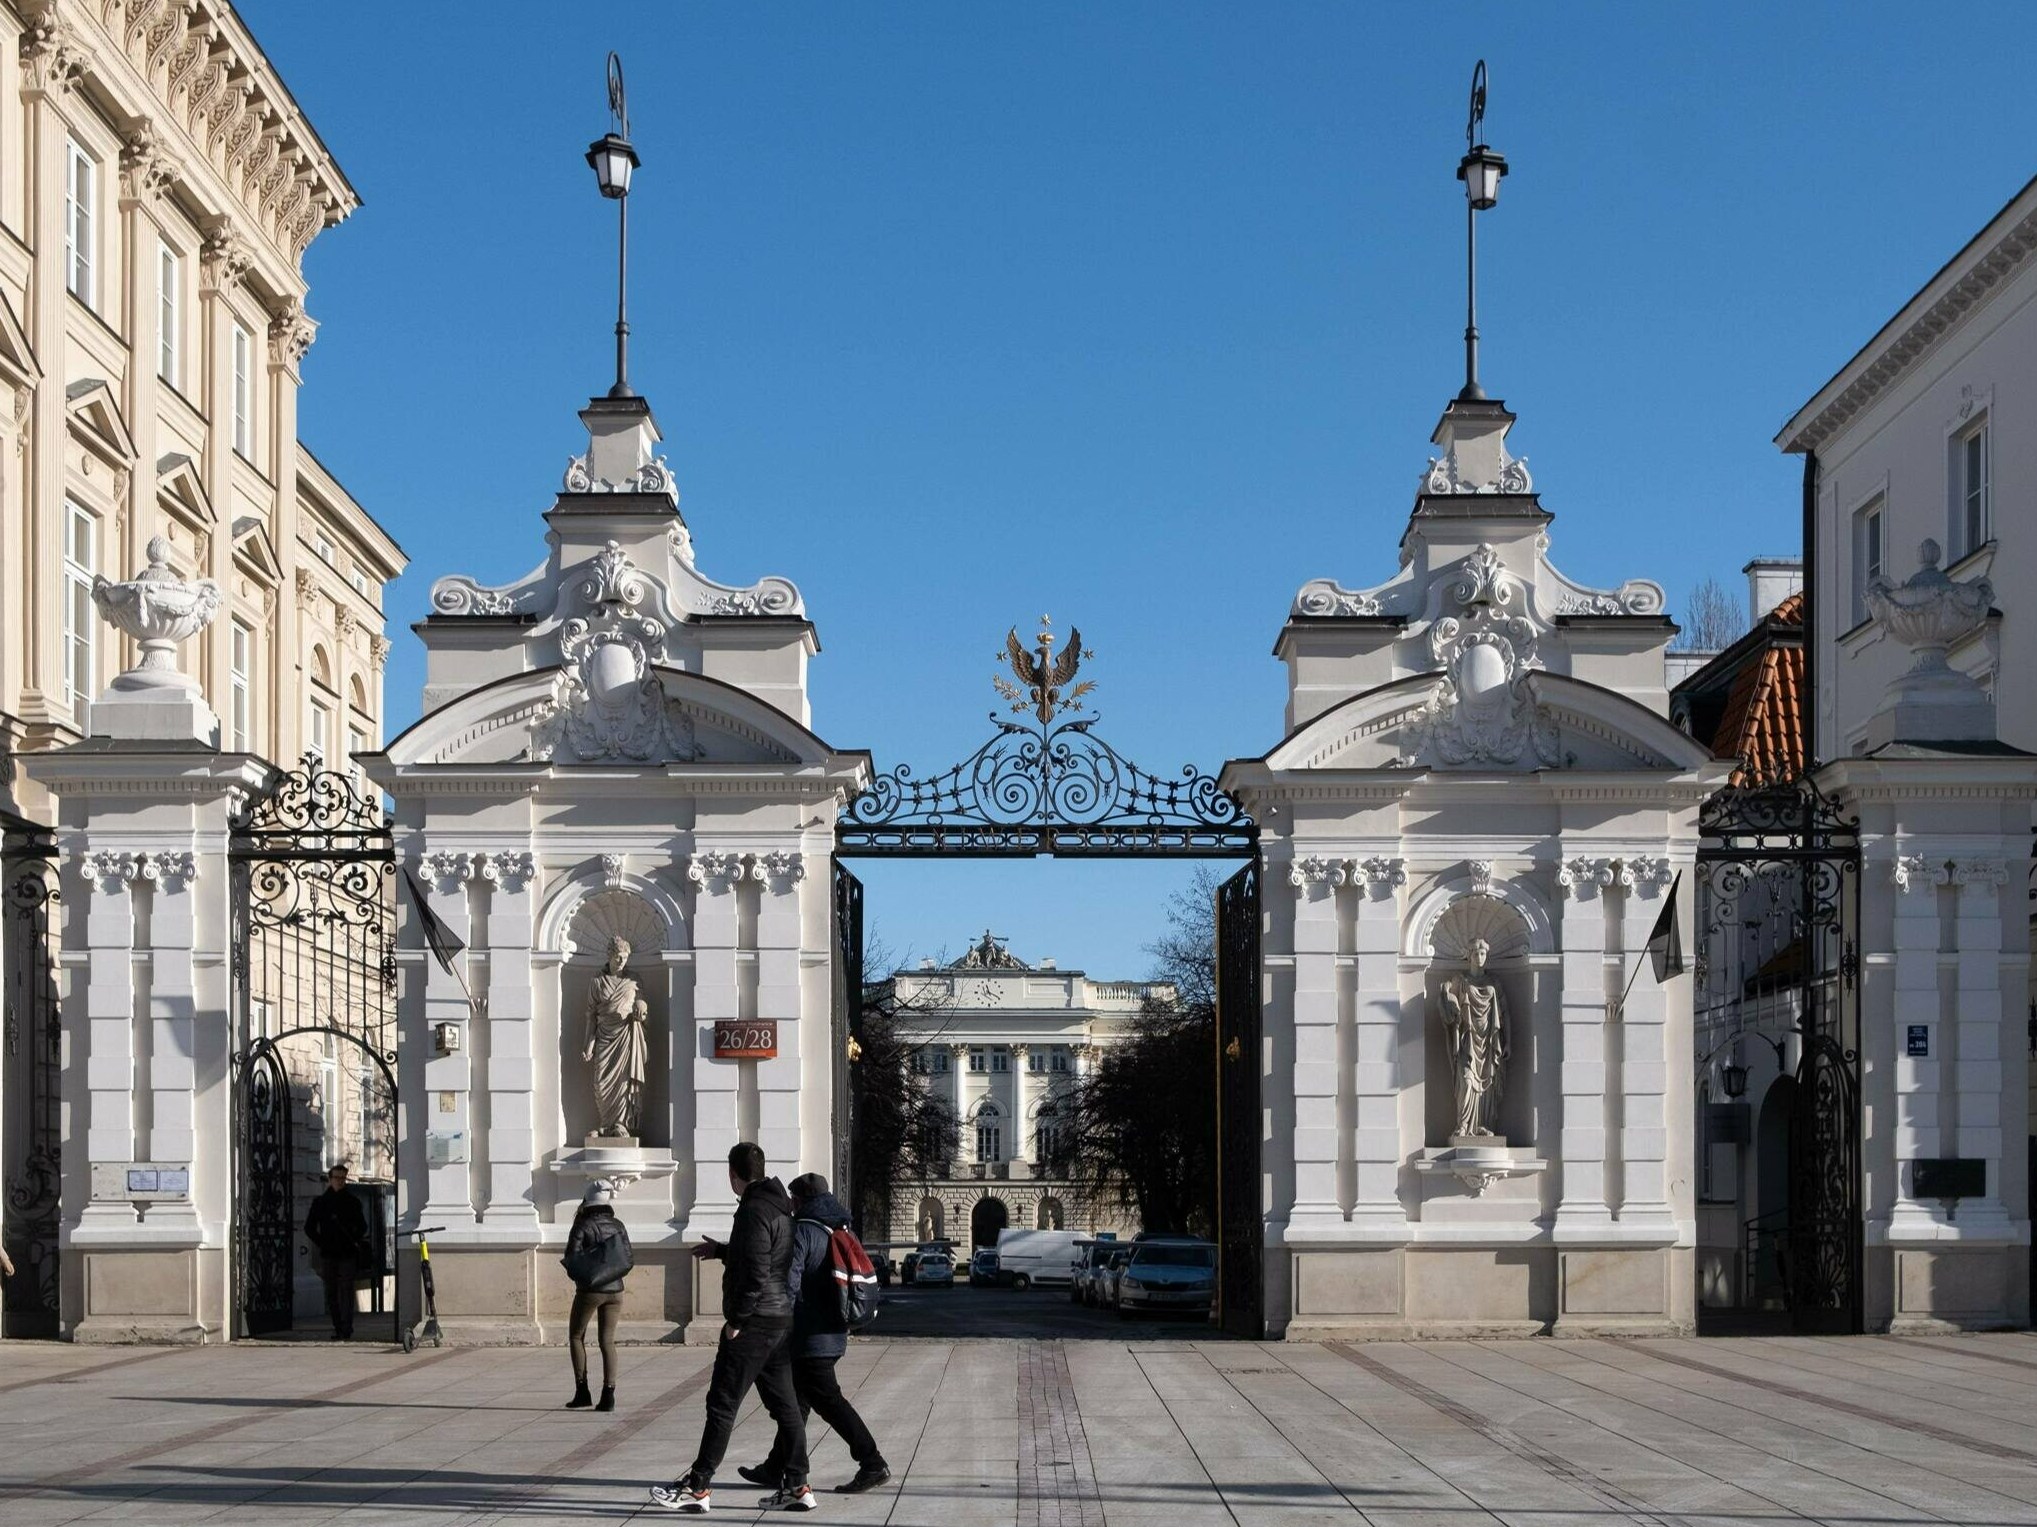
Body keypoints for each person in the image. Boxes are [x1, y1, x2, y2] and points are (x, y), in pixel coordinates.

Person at [650, 1143, 814, 1514]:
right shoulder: (780, 1207)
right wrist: (723, 1251)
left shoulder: (754, 1210)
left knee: (722, 1404)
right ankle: (798, 1486)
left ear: (732, 1174)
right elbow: (771, 1259)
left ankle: (698, 1486)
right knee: (786, 1406)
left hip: (754, 1323)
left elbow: (757, 1273)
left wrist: (737, 1321)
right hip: (779, 1318)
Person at [741, 1172, 890, 1495]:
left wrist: (774, 1321)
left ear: (799, 1200)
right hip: (832, 1333)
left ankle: (872, 1462)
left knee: (827, 1401)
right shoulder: (838, 1228)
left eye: (793, 1200)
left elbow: (788, 1282)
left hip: (810, 1336)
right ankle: (775, 1467)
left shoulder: (803, 1232)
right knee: (798, 1403)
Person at [562, 1178, 633, 1412]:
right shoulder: (619, 1224)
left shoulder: (582, 1225)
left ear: (587, 1201)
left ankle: (582, 1391)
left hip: (590, 1290)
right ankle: (609, 1394)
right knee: (607, 1341)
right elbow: (628, 1258)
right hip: (616, 1290)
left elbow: (571, 1258)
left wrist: (583, 1278)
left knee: (576, 1336)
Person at [303, 1163, 368, 1341]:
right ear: (330, 1180)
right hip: (329, 1253)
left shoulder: (352, 1202)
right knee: (331, 1292)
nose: (339, 1181)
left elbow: (363, 1226)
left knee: (346, 1291)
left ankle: (346, 1328)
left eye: (342, 1178)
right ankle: (338, 1326)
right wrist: (322, 1242)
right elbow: (309, 1227)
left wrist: (353, 1237)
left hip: (347, 1253)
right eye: (336, 1178)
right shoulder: (321, 1203)